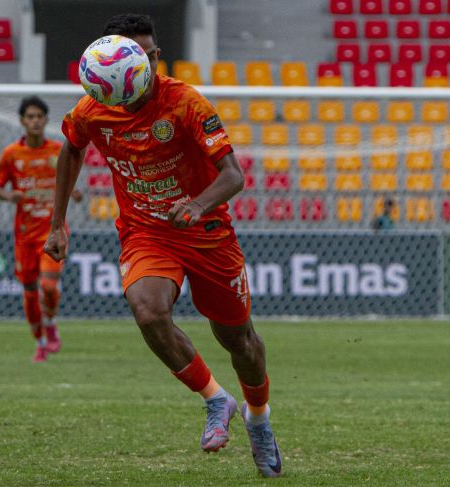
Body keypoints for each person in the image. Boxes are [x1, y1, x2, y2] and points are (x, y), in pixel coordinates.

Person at [44, 14, 282, 478]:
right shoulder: (94, 108)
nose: (150, 64)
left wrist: (196, 204)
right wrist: (58, 224)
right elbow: (71, 147)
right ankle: (216, 399)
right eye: (142, 56)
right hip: (147, 231)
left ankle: (259, 420)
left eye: (152, 55)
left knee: (239, 341)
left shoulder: (185, 102)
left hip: (207, 232)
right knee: (148, 311)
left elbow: (233, 175)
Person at [0, 96, 82, 363]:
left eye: (39, 116)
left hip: (52, 230)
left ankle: (51, 323)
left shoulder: (57, 150)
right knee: (30, 291)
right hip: (24, 234)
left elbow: (70, 178)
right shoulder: (11, 154)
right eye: (30, 117)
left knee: (48, 285)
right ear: (22, 121)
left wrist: (73, 192)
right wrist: (9, 196)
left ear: (45, 120)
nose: (35, 121)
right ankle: (40, 342)